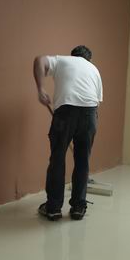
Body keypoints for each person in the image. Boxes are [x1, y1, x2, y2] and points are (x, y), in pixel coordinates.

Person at [33, 45, 103, 221]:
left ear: (73, 56)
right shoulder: (94, 69)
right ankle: (78, 207)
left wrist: (40, 88)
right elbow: (96, 103)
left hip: (66, 113)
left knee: (58, 159)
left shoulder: (63, 60)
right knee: (82, 161)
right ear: (89, 59)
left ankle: (54, 208)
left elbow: (39, 60)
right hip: (89, 114)